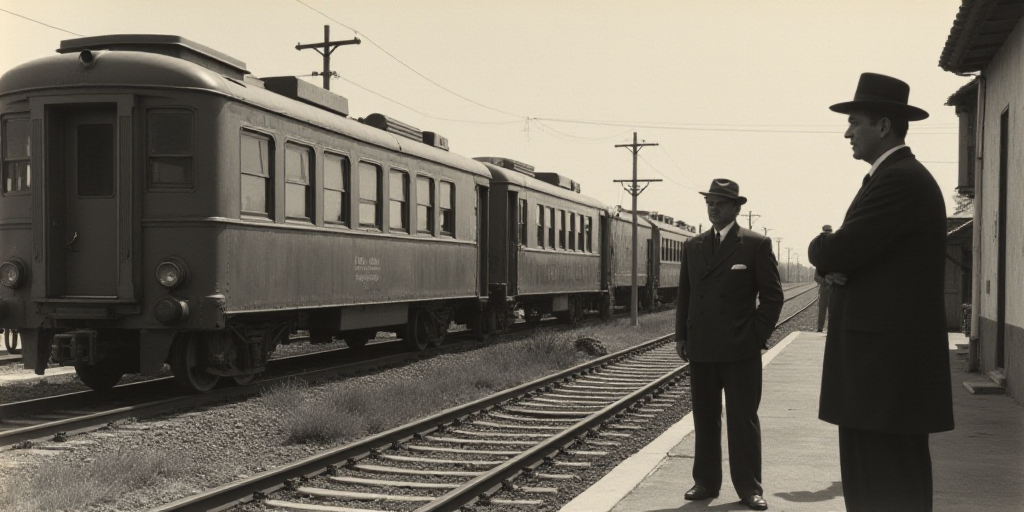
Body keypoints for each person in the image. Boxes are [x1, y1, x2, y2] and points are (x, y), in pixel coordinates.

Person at [808, 72, 954, 512]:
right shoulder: (892, 177)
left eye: (855, 121)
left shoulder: (899, 180)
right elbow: (851, 255)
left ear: (884, 125)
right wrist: (835, 263)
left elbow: (840, 248)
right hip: (882, 376)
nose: (847, 132)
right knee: (882, 484)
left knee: (883, 488)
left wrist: (826, 254)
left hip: (884, 377)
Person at [675, 179, 783, 511]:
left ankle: (749, 487)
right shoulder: (693, 246)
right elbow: (686, 295)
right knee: (705, 418)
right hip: (703, 347)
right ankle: (705, 482)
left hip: (740, 350)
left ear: (737, 208)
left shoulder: (754, 244)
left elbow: (772, 297)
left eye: (721, 203)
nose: (713, 208)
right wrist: (682, 335)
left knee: (742, 419)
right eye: (710, 202)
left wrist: (754, 336)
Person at [813, 225, 833, 332]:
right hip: (825, 287)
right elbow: (816, 276)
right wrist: (825, 281)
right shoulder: (820, 257)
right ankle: (820, 328)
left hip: (833, 287)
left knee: (832, 310)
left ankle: (831, 329)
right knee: (822, 309)